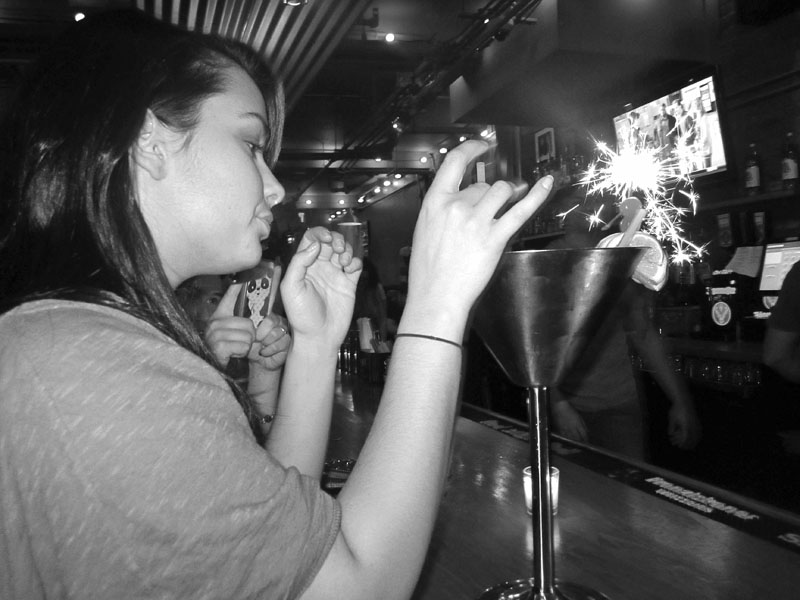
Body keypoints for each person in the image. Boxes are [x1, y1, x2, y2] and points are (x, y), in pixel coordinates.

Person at [0, 9, 552, 600]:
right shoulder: (94, 366)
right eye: (250, 145)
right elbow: (359, 586)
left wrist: (315, 345)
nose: (275, 186)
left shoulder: (84, 340)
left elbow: (283, 550)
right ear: (148, 140)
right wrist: (436, 307)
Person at [548, 202, 701, 460]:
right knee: (571, 484)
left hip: (619, 404)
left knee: (629, 483)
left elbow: (643, 333)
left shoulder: (620, 257)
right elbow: (537, 344)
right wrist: (557, 404)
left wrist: (680, 400)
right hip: (566, 405)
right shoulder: (553, 259)